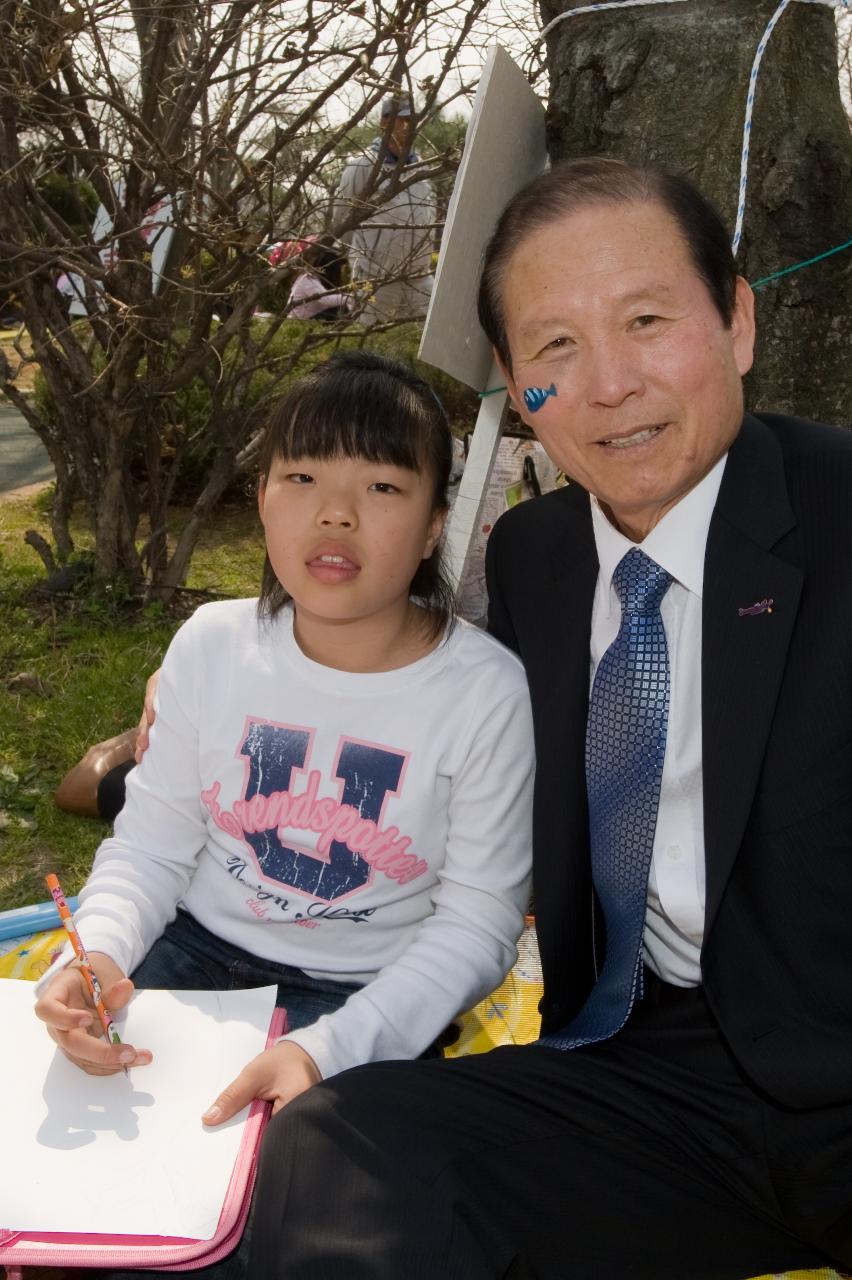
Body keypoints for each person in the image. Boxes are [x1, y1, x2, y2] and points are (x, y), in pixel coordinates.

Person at [245, 158, 852, 1279]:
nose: (609, 382)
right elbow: (424, 716)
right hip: (652, 1070)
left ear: (739, 320)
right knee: (346, 1140)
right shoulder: (537, 556)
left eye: (647, 319)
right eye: (556, 347)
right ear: (517, 384)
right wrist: (185, 722)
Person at [34, 350, 534, 1277]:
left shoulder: (485, 692)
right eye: (301, 476)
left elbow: (479, 924)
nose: (335, 512)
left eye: (381, 485)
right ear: (261, 497)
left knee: (293, 1225)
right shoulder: (213, 646)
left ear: (433, 526)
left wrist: (328, 1049)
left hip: (370, 996)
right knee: (80, 1188)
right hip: (190, 960)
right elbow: (149, 845)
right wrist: (98, 950)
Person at [334, 95, 436, 323]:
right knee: (374, 345)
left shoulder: (422, 166)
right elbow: (343, 221)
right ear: (384, 122)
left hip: (419, 278)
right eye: (402, 119)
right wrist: (364, 260)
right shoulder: (362, 165)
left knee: (426, 343)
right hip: (375, 280)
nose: (408, 126)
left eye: (412, 119)